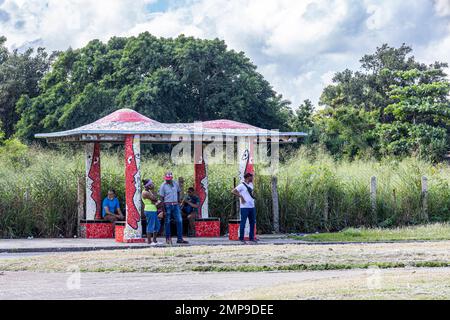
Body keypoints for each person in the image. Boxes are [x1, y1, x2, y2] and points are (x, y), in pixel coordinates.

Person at [159, 172, 189, 245]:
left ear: (171, 178)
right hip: (167, 205)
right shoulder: (163, 186)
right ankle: (168, 239)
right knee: (167, 222)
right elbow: (161, 198)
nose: (167, 180)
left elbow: (178, 192)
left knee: (179, 221)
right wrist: (163, 210)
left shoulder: (175, 183)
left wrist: (178, 200)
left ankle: (180, 239)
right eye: (166, 179)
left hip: (175, 205)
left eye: (169, 179)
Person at [232, 173, 257, 244]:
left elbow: (251, 193)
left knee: (252, 222)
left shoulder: (251, 185)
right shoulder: (241, 185)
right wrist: (241, 196)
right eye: (251, 177)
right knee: (243, 222)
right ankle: (241, 238)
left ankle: (251, 238)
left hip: (252, 206)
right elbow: (233, 191)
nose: (252, 179)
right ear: (248, 177)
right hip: (244, 207)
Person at [142, 178, 161, 245]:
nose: (153, 185)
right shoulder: (145, 192)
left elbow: (155, 200)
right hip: (149, 210)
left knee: (157, 225)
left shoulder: (149, 191)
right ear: (148, 185)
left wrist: (155, 201)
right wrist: (153, 191)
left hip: (153, 210)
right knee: (150, 225)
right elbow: (155, 199)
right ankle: (149, 242)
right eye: (151, 184)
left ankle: (154, 240)